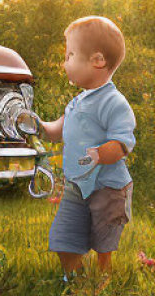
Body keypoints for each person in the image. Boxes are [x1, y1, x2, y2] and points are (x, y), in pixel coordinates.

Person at [38, 16, 136, 278]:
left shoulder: (114, 102)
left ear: (98, 60)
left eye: (70, 55)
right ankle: (77, 279)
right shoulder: (77, 102)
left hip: (108, 187)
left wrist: (101, 153)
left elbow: (123, 142)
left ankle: (104, 278)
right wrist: (37, 126)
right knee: (63, 237)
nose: (64, 62)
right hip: (76, 186)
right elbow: (58, 129)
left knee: (104, 238)